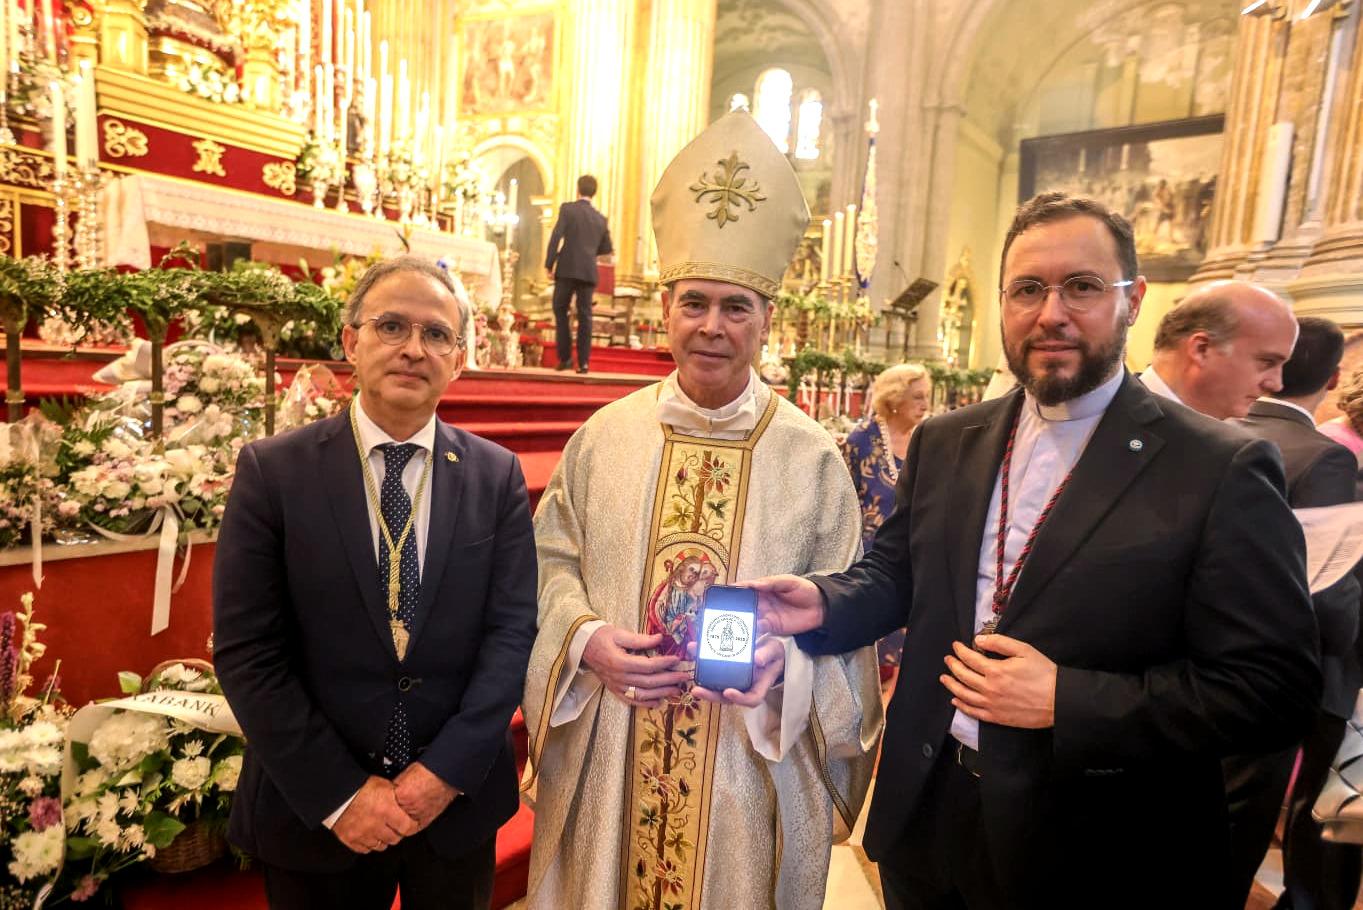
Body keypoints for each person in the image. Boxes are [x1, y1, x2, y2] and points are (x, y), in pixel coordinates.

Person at [746, 191, 1321, 908]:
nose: (1050, 312)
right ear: (1001, 304)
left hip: (1096, 849)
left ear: (1132, 300)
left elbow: (1273, 690)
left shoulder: (1219, 468)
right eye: (1027, 289)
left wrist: (1068, 699)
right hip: (928, 816)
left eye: (1081, 287)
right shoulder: (948, 439)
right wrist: (823, 601)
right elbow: (897, 574)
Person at [522, 110, 882, 910]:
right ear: (664, 311)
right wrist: (586, 643)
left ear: (766, 321)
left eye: (735, 307)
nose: (711, 327)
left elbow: (845, 624)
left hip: (746, 764)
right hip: (616, 740)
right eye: (693, 304)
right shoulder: (602, 438)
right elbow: (550, 567)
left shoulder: (812, 460)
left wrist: (781, 671)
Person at [212, 256, 538, 910]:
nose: (414, 349)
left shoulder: (494, 477)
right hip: (317, 812)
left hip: (454, 808)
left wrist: (443, 773)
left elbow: (511, 636)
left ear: (460, 358)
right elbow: (248, 650)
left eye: (437, 334)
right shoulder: (273, 472)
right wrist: (340, 793)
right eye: (391, 326)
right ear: (349, 343)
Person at [1236, 318, 1361, 910]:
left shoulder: (1216, 427)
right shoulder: (1324, 457)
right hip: (1298, 672)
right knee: (1314, 806)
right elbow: (1328, 586)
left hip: (1214, 659)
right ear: (1334, 378)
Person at [840, 363, 931, 680]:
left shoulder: (931, 437)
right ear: (895, 398)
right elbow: (844, 503)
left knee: (909, 660)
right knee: (869, 661)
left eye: (927, 397)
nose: (925, 405)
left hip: (916, 558)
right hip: (870, 561)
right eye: (917, 397)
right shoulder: (862, 440)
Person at [1140, 280, 1299, 419]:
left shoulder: (1245, 447)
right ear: (1201, 349)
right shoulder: (1116, 418)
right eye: (1267, 361)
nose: (1276, 385)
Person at [544, 174, 614, 374]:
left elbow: (556, 235)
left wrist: (549, 263)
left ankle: (565, 358)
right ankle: (583, 363)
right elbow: (607, 247)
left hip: (566, 268)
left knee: (560, 309)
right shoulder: (600, 218)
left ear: (578, 189)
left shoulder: (568, 209)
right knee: (586, 316)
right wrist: (589, 252)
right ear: (595, 192)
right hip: (588, 271)